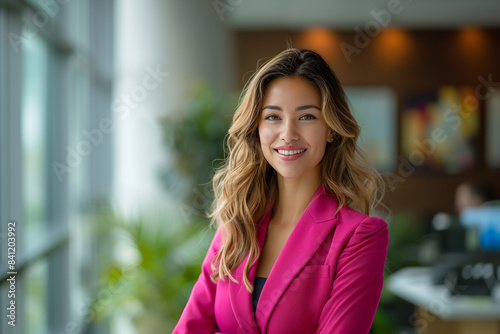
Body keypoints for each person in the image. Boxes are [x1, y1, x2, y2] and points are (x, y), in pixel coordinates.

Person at [172, 48, 389, 334]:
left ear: (332, 129)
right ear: (257, 128)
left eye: (307, 117)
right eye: (273, 117)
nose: (288, 133)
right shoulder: (236, 225)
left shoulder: (360, 236)